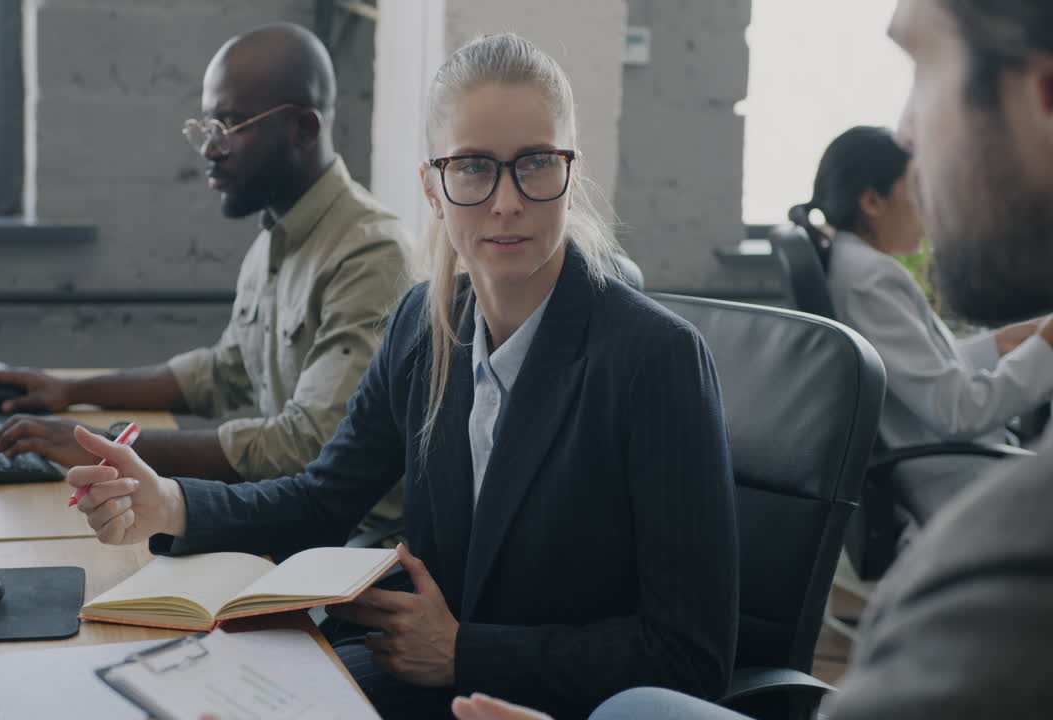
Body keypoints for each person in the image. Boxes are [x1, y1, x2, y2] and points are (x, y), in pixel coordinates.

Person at [65, 32, 738, 720]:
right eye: (473, 167)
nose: (507, 201)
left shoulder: (656, 361)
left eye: (535, 163)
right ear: (433, 188)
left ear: (571, 170)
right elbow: (325, 498)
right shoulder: (424, 321)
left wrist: (463, 651)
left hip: (540, 703)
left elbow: (689, 657)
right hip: (419, 684)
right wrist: (169, 502)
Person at [547, 0, 1053, 717]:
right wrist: (1033, 348)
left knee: (630, 709)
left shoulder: (1003, 577)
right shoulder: (874, 272)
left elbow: (928, 371)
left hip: (958, 471)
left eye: (922, 66)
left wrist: (1010, 346)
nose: (909, 128)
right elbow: (946, 396)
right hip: (952, 458)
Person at [0, 24, 413, 487]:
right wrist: (70, 391)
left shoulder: (370, 254)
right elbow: (223, 373)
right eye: (206, 127)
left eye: (228, 126)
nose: (209, 150)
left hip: (358, 547)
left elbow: (307, 443)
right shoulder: (278, 236)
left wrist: (102, 446)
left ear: (304, 128)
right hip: (294, 514)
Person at [789, 125, 1053, 518]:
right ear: (872, 201)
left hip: (945, 465)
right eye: (916, 187)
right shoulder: (871, 278)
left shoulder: (854, 265)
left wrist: (995, 346)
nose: (928, 204)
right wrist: (1046, 345)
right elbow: (959, 412)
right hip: (951, 477)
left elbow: (914, 372)